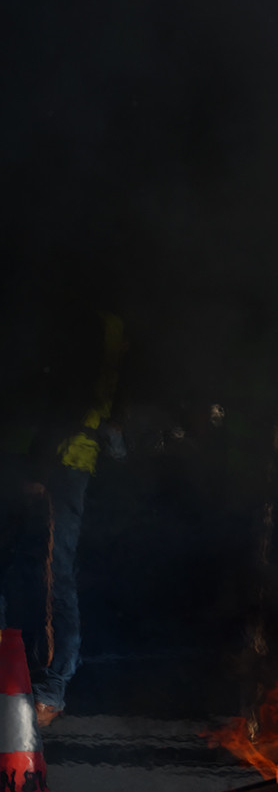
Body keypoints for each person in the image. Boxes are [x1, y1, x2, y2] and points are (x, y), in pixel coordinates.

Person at [0, 300, 125, 726]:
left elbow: (71, 396)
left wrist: (39, 464)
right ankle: (30, 681)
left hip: (60, 461)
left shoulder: (89, 320)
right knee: (29, 570)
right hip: (44, 456)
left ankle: (51, 688)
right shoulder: (83, 317)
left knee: (54, 573)